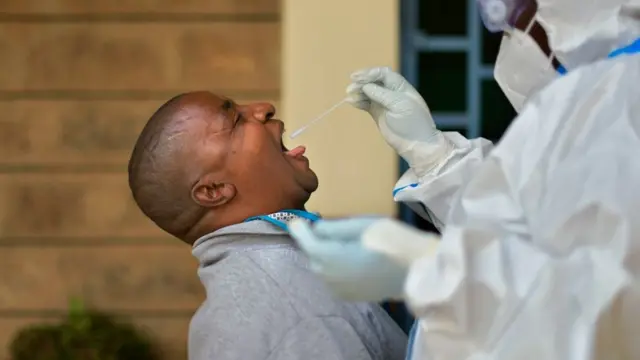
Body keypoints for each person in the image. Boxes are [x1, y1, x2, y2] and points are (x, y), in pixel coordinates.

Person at [289, 0, 640, 358]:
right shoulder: (586, 101)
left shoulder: (622, 102)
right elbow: (521, 220)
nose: (507, 24)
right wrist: (432, 154)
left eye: (520, 12)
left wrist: (439, 275)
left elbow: (608, 323)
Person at [127, 91, 408, 360]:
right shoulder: (295, 310)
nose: (264, 108)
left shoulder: (264, 289)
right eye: (236, 120)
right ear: (213, 190)